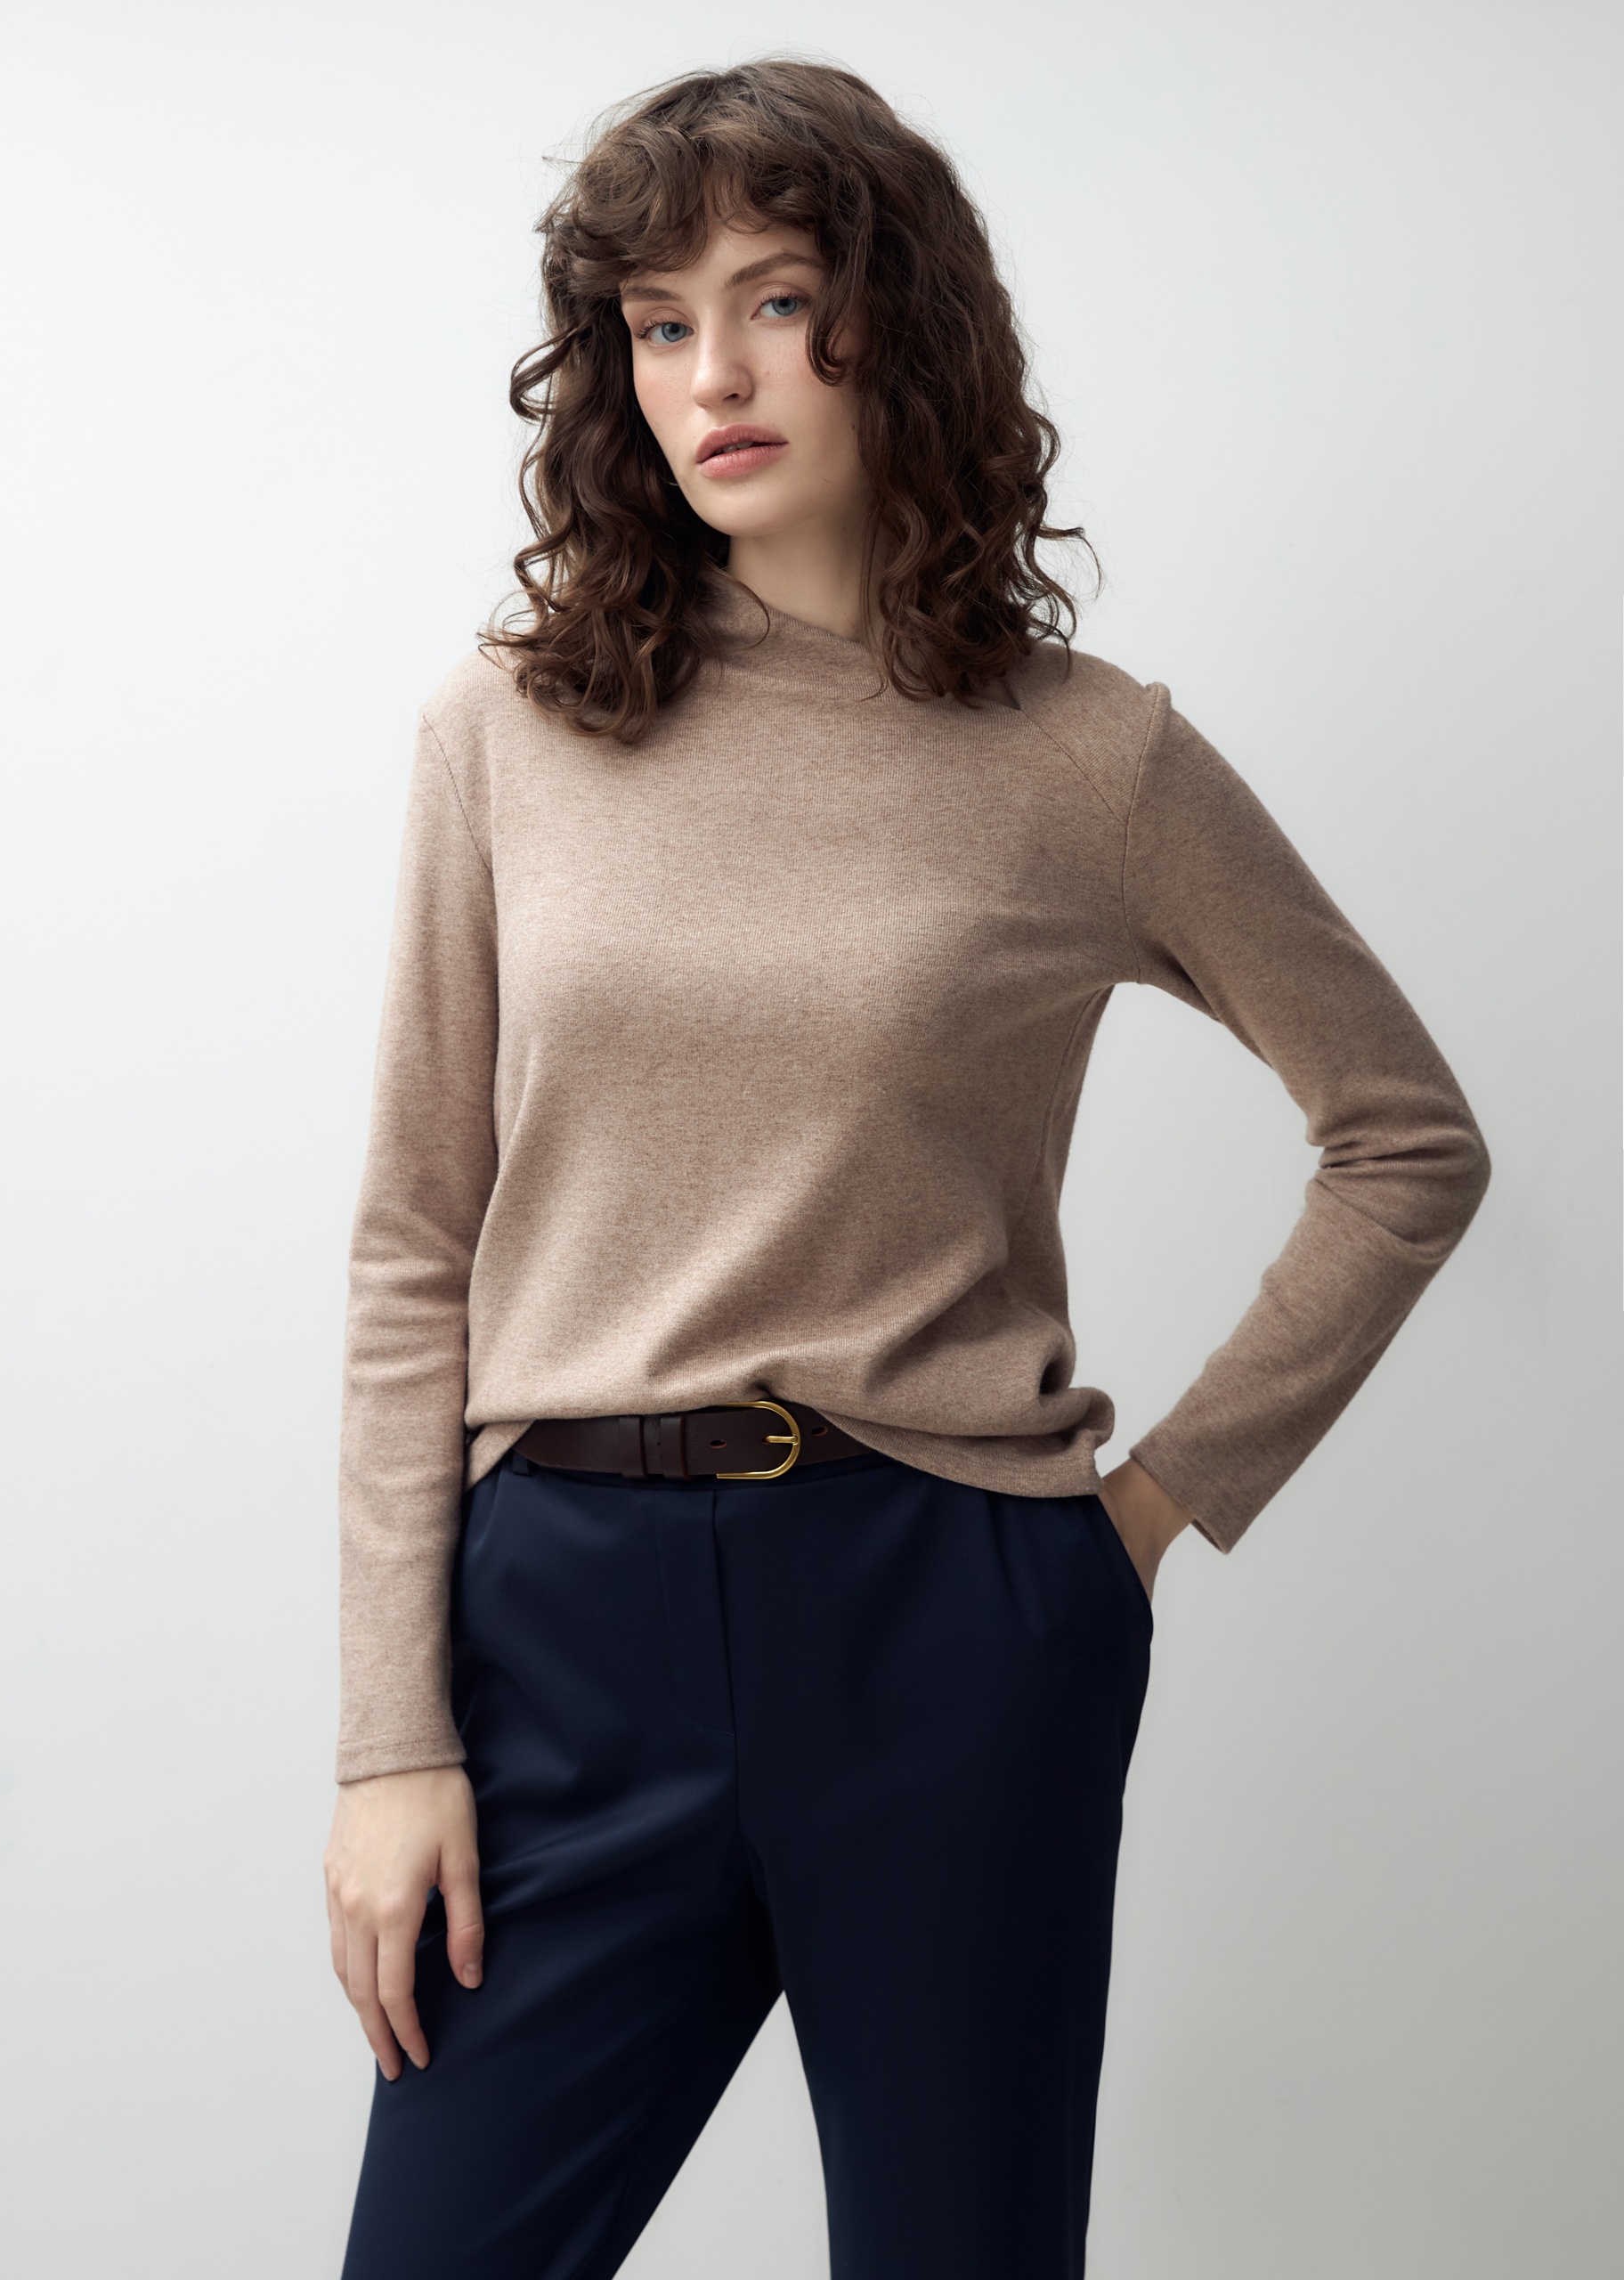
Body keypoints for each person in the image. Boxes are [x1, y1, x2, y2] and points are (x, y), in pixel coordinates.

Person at [322, 58, 1489, 2280]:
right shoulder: (510, 728)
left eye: (777, 301)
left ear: (902, 324)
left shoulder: (1091, 759)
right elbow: (408, 1245)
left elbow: (1405, 1139)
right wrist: (392, 1741)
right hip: (564, 1619)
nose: (715, 374)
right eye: (660, 323)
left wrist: (1143, 1516)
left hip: (946, 1617)